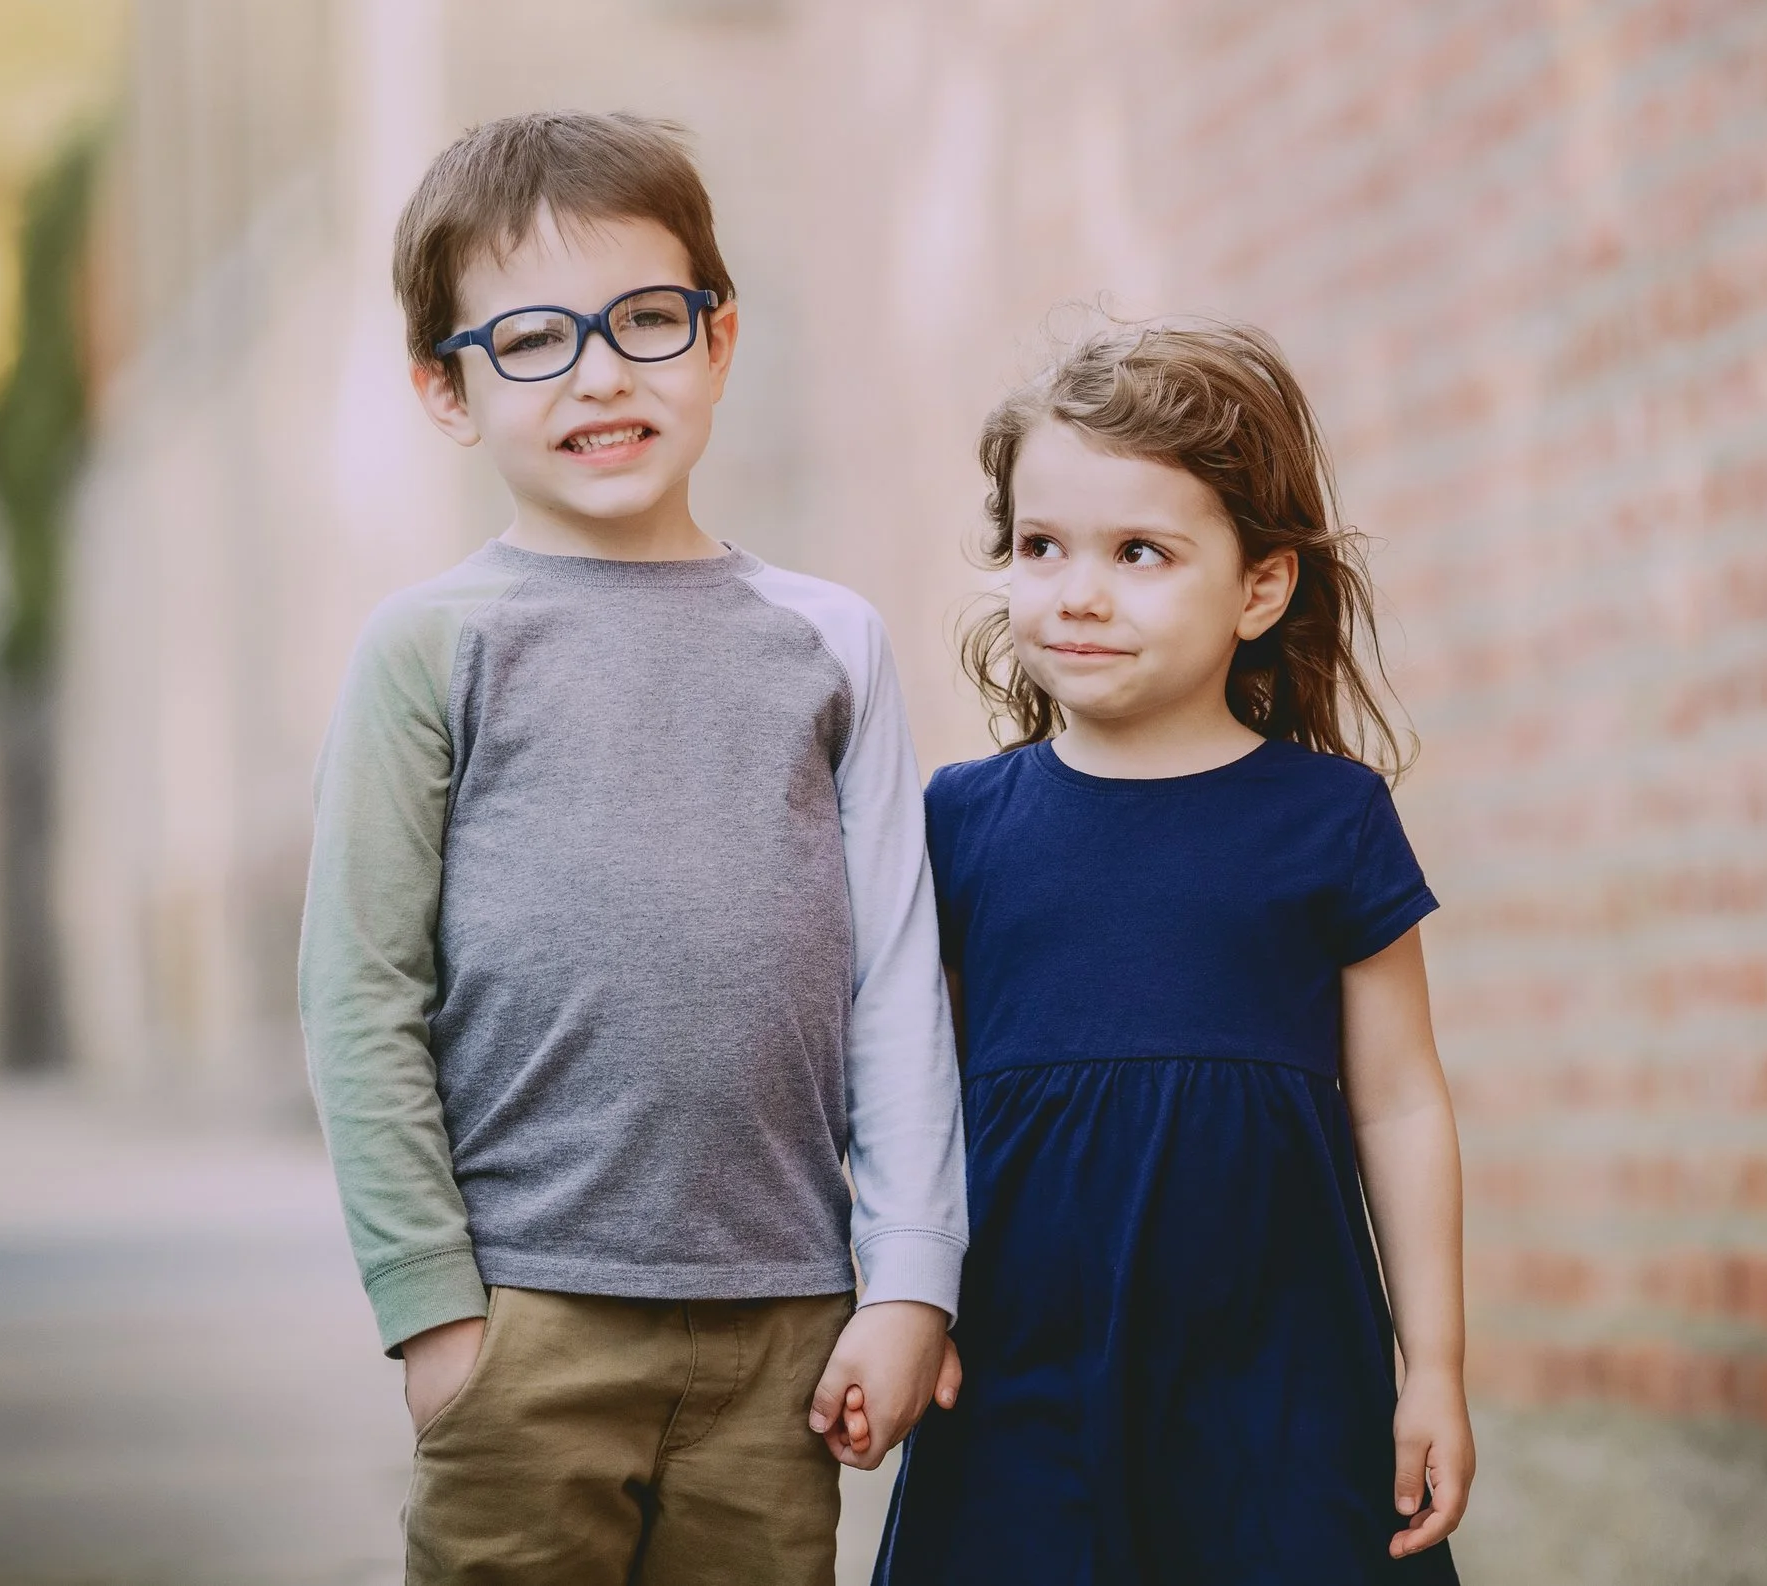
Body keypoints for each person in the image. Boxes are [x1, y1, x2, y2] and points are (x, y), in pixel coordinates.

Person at [297, 110, 967, 1586]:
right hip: (524, 1313)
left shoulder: (828, 640)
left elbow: (896, 982)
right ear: (446, 389)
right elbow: (359, 995)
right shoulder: (431, 648)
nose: (601, 373)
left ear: (718, 340)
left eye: (646, 320)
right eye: (533, 339)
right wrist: (434, 1312)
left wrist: (912, 1277)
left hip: (784, 1319)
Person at [876, 320, 1473, 1583]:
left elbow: (1401, 1102)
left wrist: (1435, 1366)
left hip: (1281, 1375)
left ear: (1260, 588)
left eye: (1138, 552)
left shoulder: (1330, 819)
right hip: (1022, 1370)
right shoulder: (959, 822)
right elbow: (907, 1097)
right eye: (1040, 546)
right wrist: (904, 1294)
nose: (1077, 592)